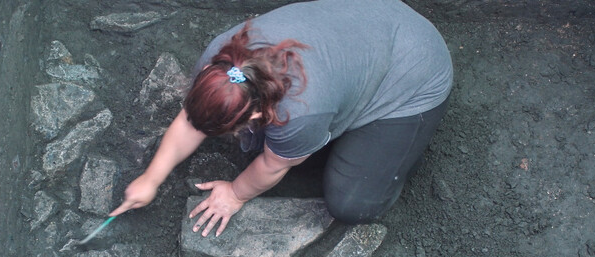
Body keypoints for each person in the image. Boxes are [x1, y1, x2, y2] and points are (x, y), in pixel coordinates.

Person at [110, 0, 453, 237]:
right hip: (366, 25)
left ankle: (392, 154)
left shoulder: (299, 113)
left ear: (258, 112)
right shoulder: (221, 63)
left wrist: (235, 194)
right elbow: (192, 119)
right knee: (271, 146)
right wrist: (151, 178)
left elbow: (272, 167)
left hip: (412, 71)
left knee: (352, 205)